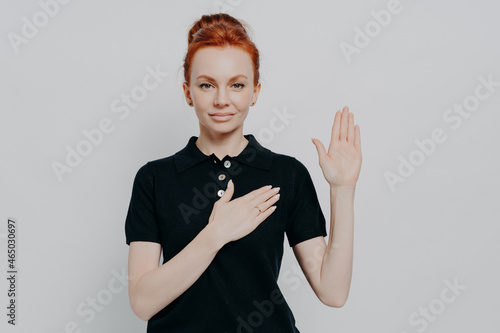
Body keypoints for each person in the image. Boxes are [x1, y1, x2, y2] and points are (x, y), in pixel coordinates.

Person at [125, 12, 362, 332]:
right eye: (207, 84)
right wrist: (215, 234)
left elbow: (333, 292)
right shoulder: (154, 178)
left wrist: (343, 189)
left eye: (237, 85)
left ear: (255, 91)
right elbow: (142, 302)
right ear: (187, 92)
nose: (222, 100)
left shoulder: (286, 174)